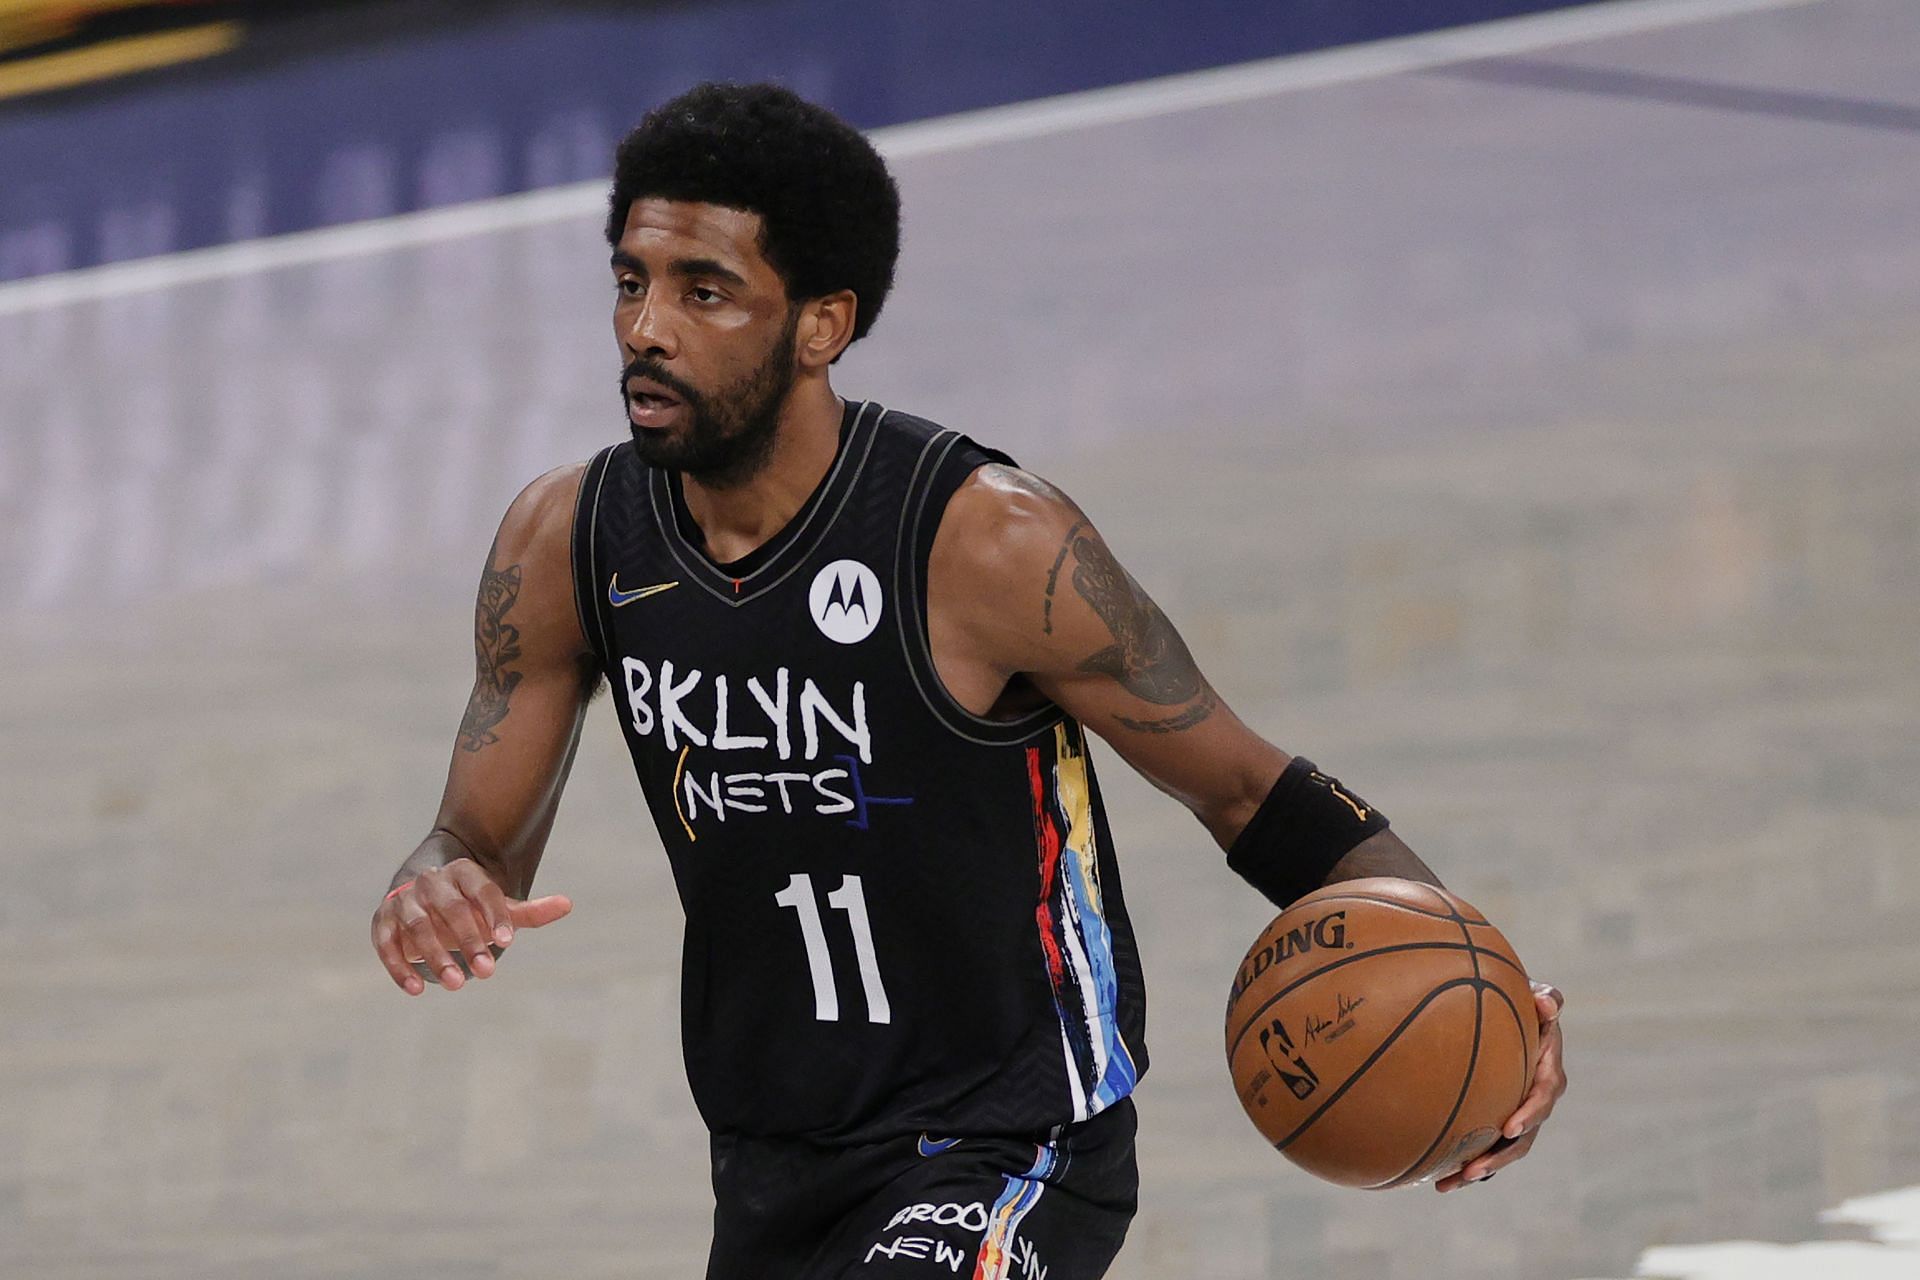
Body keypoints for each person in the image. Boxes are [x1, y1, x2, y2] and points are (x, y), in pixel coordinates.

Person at [368, 82, 1568, 1279]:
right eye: (632, 281)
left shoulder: (985, 543)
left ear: (822, 325)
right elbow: (473, 838)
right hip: (771, 1151)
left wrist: (1496, 994)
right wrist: (437, 884)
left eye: (706, 291)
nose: (646, 328)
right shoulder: (568, 540)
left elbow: (1250, 790)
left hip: (1014, 1139)